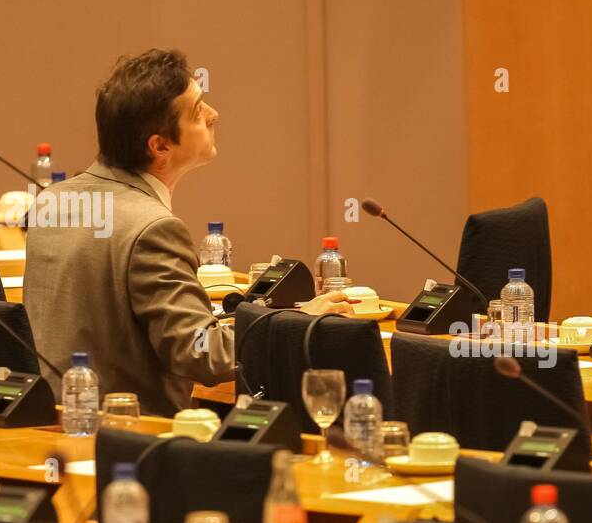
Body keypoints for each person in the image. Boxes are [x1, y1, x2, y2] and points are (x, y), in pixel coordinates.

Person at [23, 48, 351, 416]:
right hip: (134, 436)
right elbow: (201, 354)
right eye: (197, 111)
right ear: (160, 146)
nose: (214, 115)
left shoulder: (53, 201)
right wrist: (296, 322)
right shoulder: (153, 228)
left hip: (55, 420)